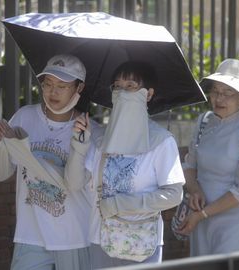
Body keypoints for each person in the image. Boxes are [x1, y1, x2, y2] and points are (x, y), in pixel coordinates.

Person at [67, 61, 185, 268]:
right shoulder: (99, 138)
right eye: (117, 87)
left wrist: (119, 204)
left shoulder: (162, 140)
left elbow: (174, 195)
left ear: (148, 94)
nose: (122, 92)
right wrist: (79, 145)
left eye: (130, 86)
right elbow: (75, 184)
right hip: (100, 239)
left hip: (143, 243)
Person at [0, 54, 93, 270]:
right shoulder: (24, 117)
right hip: (30, 233)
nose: (53, 91)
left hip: (73, 236)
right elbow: (4, 173)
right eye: (48, 83)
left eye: (62, 86)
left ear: (79, 88)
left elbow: (72, 184)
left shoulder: (90, 131)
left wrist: (20, 147)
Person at [175, 59, 239, 255]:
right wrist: (195, 190)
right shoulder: (204, 121)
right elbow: (189, 165)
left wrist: (203, 214)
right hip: (199, 210)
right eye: (215, 91)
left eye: (228, 93)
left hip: (233, 218)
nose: (219, 98)